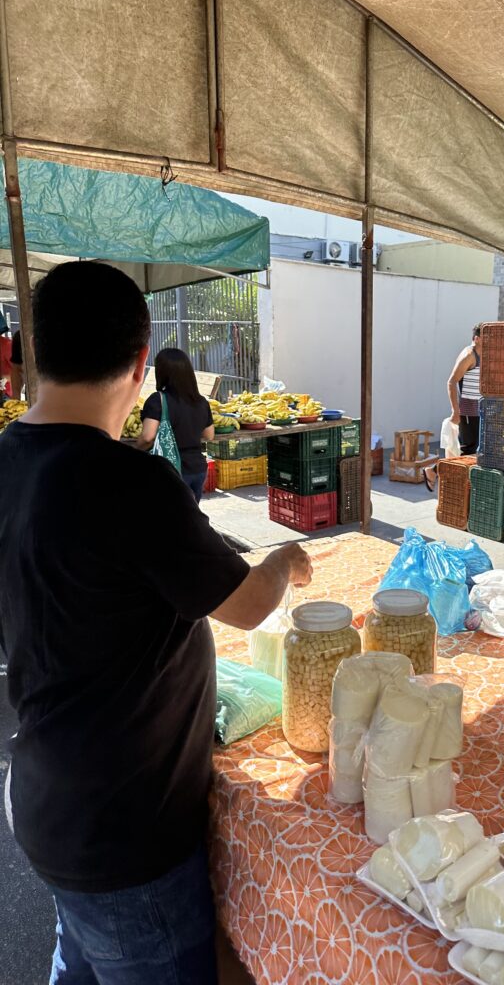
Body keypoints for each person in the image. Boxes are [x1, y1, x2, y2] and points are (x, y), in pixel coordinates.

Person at [0, 260, 312, 985]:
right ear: (140, 362)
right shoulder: (128, 483)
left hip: (46, 798)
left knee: (80, 958)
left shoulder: (9, 460)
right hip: (124, 832)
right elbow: (247, 606)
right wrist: (283, 561)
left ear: (32, 349)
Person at [137, 347, 215, 502]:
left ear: (162, 372)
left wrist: (135, 449)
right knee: (190, 513)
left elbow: (147, 437)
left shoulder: (158, 400)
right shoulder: (201, 401)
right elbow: (209, 435)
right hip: (198, 469)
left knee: (168, 515)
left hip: (172, 470)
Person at [425, 323, 483, 490]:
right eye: (487, 337)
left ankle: (437, 472)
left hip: (480, 411)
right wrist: (455, 411)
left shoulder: (484, 355)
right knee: (467, 452)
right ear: (477, 339)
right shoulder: (469, 355)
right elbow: (451, 382)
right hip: (468, 412)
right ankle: (434, 471)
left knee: (474, 452)